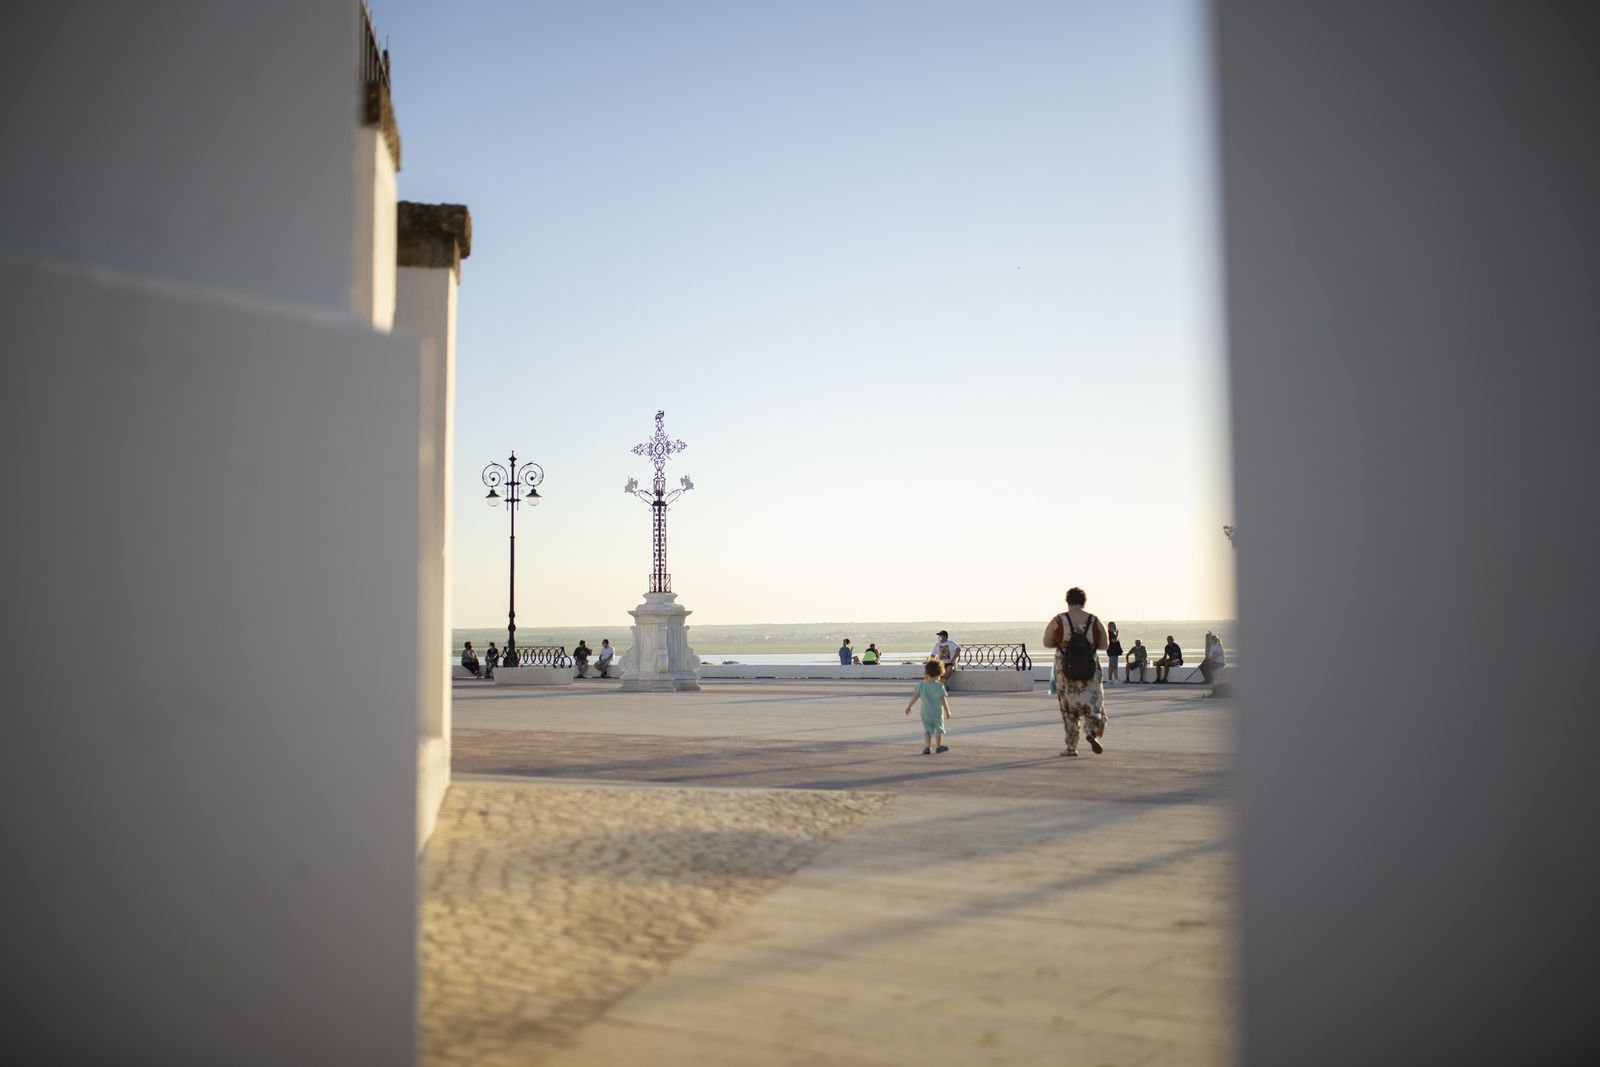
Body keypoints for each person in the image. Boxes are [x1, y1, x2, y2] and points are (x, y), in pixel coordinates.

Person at [1043, 587, 1108, 757]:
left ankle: (1071, 748)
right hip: (1090, 671)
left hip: (1065, 671)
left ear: (1068, 601)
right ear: (1084, 601)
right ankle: (1092, 733)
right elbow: (1104, 645)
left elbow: (1047, 642)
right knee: (1094, 705)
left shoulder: (1059, 620)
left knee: (1069, 710)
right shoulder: (1094, 621)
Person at [903, 659, 952, 755]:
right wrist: (947, 711)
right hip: (936, 713)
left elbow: (915, 696)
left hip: (925, 713)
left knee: (927, 730)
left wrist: (909, 706)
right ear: (940, 672)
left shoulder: (921, 684)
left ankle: (927, 747)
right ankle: (939, 746)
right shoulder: (939, 686)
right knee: (939, 729)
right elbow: (942, 700)